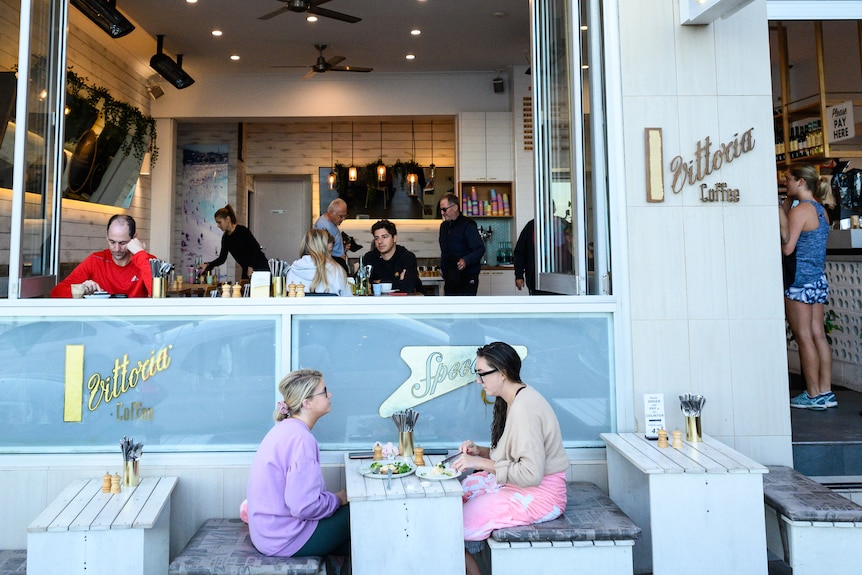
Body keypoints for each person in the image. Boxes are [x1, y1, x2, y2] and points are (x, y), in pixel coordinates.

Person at [448, 342, 568, 575]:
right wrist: (479, 451)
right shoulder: (514, 398)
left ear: (502, 373)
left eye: (482, 374)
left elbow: (530, 473)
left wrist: (479, 463)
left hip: (540, 495)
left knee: (452, 525)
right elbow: (513, 455)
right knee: (465, 490)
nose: (478, 381)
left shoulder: (525, 407)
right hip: (519, 486)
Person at [246, 369, 350, 561]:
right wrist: (338, 499)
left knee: (352, 542)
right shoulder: (301, 439)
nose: (330, 394)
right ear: (306, 403)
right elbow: (304, 507)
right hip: (285, 539)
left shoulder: (285, 430)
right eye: (324, 391)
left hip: (268, 535)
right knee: (361, 512)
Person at [779, 164, 836, 410]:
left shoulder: (800, 211)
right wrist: (787, 200)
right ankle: (825, 391)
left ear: (801, 182)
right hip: (817, 279)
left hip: (799, 281)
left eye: (789, 180)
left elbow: (788, 248)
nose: (786, 184)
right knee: (818, 336)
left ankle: (812, 394)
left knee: (804, 338)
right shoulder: (821, 210)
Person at [51, 214, 155, 298]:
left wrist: (140, 254)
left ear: (134, 238)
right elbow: (56, 292)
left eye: (123, 243)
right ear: (106, 236)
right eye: (112, 242)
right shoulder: (96, 260)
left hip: (136, 321)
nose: (117, 248)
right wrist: (81, 289)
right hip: (101, 322)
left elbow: (158, 294)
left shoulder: (147, 261)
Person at [199, 204, 269, 280]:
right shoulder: (226, 238)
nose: (218, 226)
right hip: (247, 268)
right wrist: (208, 265)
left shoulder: (242, 230)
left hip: (260, 266)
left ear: (228, 219)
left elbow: (256, 248)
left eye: (219, 222)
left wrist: (250, 266)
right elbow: (222, 259)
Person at [438, 193, 485, 296]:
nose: (442, 213)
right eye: (441, 210)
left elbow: (480, 249)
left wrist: (466, 260)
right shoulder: (444, 227)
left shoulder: (468, 225)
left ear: (455, 207)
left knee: (466, 310)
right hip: (450, 277)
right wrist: (443, 269)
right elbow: (444, 252)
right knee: (451, 310)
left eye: (444, 209)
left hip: (467, 277)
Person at [362, 220, 422, 294]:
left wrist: (379, 282)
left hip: (406, 302)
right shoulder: (370, 257)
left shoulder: (407, 257)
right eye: (376, 238)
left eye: (384, 237)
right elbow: (361, 283)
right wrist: (397, 282)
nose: (380, 241)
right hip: (377, 303)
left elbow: (408, 286)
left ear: (394, 238)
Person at [285, 229, 352, 296]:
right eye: (330, 252)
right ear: (325, 249)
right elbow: (348, 301)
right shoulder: (336, 270)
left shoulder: (292, 271)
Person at [314, 199, 349, 273]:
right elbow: (322, 251)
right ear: (331, 212)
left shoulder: (331, 223)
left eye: (345, 216)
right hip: (333, 264)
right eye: (341, 216)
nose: (343, 219)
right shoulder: (323, 226)